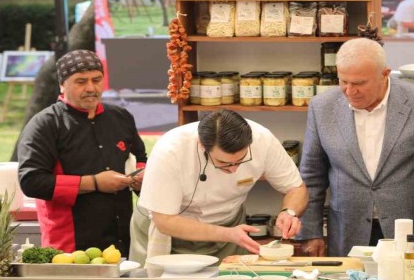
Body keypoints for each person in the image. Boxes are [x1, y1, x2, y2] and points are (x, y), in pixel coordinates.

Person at [297, 38, 414, 257]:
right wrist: (311, 232)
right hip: (348, 230)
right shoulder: (322, 107)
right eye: (343, 81)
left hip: (413, 232)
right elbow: (311, 176)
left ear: (385, 74)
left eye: (359, 83)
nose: (350, 91)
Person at [130, 109, 307, 265]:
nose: (233, 169)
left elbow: (296, 188)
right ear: (202, 145)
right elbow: (165, 221)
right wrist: (228, 234)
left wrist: (289, 212)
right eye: (224, 163)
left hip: (229, 228)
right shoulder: (170, 150)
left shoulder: (263, 140)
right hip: (168, 230)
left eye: (241, 160)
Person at [18, 50, 147, 254]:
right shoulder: (45, 124)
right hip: (69, 244)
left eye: (96, 80)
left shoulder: (120, 117)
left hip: (122, 238)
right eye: (81, 81)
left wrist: (141, 178)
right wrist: (94, 182)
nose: (90, 88)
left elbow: (140, 158)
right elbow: (31, 182)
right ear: (62, 84)